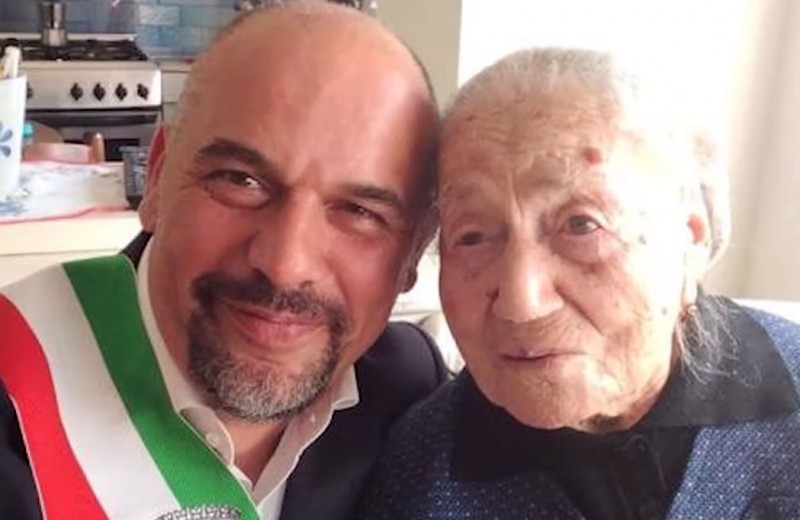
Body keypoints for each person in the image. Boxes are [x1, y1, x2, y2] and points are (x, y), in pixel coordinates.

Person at [0, 3, 447, 519]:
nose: (285, 264)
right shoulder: (16, 382)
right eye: (241, 180)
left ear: (414, 251)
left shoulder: (408, 390)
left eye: (359, 211)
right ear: (157, 178)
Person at [362, 47, 800, 520]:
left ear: (691, 236)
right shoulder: (413, 474)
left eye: (581, 225)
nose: (521, 302)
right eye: (472, 236)